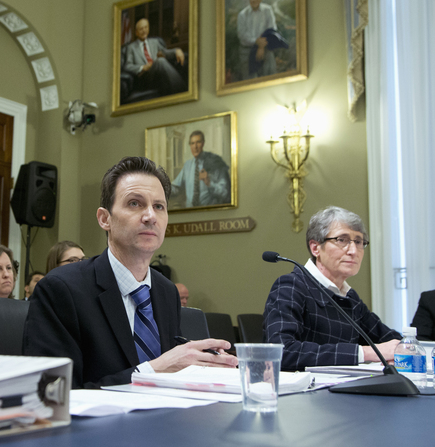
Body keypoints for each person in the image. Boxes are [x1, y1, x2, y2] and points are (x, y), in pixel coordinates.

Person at [24, 156, 237, 389]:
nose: (150, 216)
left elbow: (170, 374)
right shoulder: (60, 289)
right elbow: (53, 394)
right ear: (105, 219)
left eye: (159, 206)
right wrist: (152, 371)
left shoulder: (166, 291)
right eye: (135, 203)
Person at [264, 206, 401, 371]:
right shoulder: (290, 286)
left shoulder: (349, 297)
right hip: (303, 393)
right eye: (342, 240)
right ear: (316, 248)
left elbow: (389, 340)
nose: (353, 251)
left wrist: (398, 353)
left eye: (358, 241)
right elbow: (281, 352)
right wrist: (366, 353)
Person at [122, 18, 187, 99]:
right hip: (143, 78)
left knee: (161, 61)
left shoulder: (154, 42)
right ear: (136, 33)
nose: (144, 30)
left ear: (148, 29)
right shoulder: (131, 47)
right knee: (160, 61)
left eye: (146, 27)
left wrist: (176, 50)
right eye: (141, 29)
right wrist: (143, 67)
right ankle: (182, 90)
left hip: (156, 74)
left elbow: (165, 52)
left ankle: (181, 92)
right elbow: (127, 66)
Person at [171, 131, 231, 207]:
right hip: (190, 214)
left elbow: (225, 192)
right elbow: (176, 187)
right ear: (190, 145)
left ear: (203, 143)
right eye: (192, 143)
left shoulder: (215, 163)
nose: (195, 147)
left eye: (198, 142)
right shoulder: (187, 165)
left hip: (208, 212)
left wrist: (209, 183)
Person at [236, 0, 278, 80]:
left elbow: (272, 30)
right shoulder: (242, 15)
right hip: (247, 51)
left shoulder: (268, 10)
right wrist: (257, 42)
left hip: (266, 48)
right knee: (250, 82)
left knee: (271, 78)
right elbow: (242, 35)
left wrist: (261, 47)